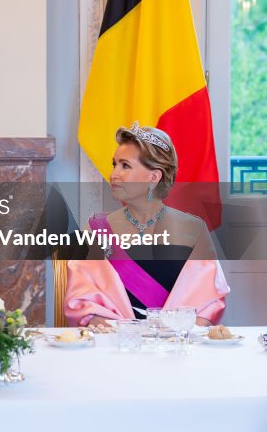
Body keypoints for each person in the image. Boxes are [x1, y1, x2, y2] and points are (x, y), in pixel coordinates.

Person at [64, 123, 229, 328]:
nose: (114, 174)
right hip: (117, 348)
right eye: (114, 164)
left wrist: (172, 336)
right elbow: (82, 301)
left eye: (125, 166)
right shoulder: (96, 229)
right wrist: (113, 329)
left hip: (175, 349)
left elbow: (208, 303)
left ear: (154, 177)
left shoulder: (193, 230)